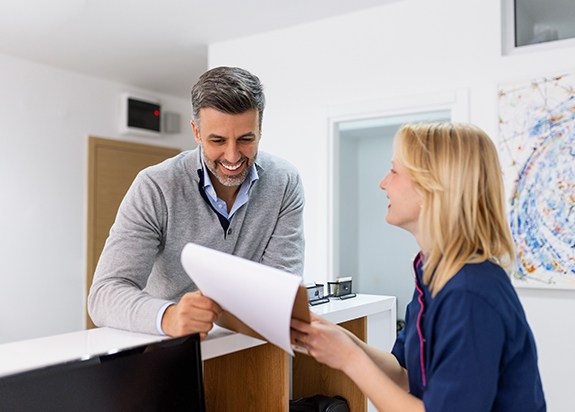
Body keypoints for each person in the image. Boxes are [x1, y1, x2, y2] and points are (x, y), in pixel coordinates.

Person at [291, 122, 546, 411]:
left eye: (395, 171)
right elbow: (405, 375)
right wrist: (339, 338)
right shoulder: (433, 274)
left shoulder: (470, 293)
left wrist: (349, 359)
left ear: (432, 187)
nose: (383, 182)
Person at [89, 66, 305, 338]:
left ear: (260, 130)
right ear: (196, 131)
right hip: (170, 349)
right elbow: (104, 294)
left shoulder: (284, 181)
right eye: (217, 140)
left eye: (245, 139)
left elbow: (282, 285)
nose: (232, 156)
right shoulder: (155, 186)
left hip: (247, 346)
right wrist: (169, 316)